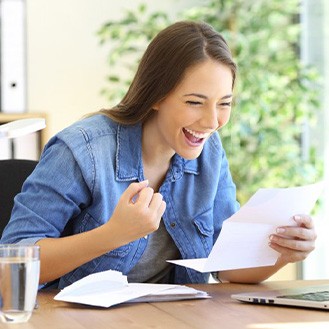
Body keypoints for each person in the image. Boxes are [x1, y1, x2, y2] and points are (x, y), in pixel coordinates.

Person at [1, 21, 316, 289]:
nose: (211, 122)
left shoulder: (210, 154)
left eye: (224, 103)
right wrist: (113, 234)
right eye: (194, 102)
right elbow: (11, 267)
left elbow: (225, 265)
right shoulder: (83, 150)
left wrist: (282, 253)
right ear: (156, 96)